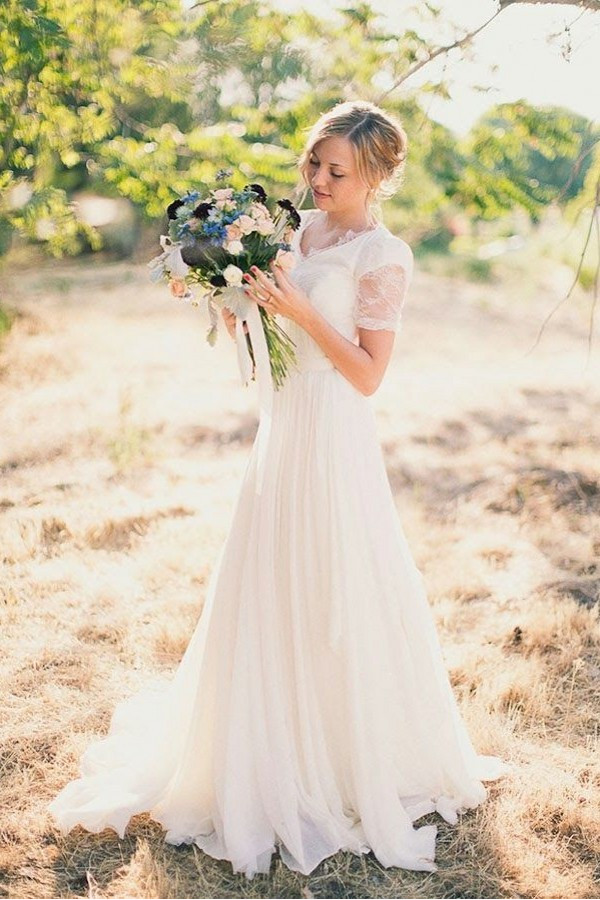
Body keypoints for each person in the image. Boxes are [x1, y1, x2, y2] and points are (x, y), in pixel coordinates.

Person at [47, 99, 510, 880]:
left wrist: (297, 306)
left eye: (337, 170)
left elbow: (367, 375)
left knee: (339, 583)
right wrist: (230, 305)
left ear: (377, 175)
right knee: (268, 579)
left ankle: (341, 753)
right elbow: (269, 352)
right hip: (285, 428)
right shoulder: (292, 233)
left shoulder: (382, 253)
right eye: (314, 164)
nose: (318, 179)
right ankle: (262, 741)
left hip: (336, 433)